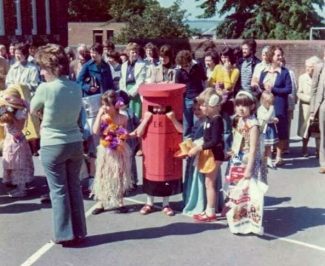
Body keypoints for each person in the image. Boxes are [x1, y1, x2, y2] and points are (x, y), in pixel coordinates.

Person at [30, 43, 87, 246]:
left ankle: (64, 234)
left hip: (53, 144)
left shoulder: (45, 88)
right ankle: (79, 231)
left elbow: (33, 108)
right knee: (74, 188)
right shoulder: (76, 87)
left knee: (59, 191)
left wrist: (42, 114)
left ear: (51, 67)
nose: (41, 72)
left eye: (42, 68)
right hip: (75, 142)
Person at [90, 90, 132, 215]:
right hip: (105, 150)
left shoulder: (123, 118)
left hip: (119, 149)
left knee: (118, 173)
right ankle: (101, 202)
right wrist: (98, 114)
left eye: (107, 105)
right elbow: (95, 131)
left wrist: (121, 138)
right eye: (103, 104)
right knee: (102, 174)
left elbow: (125, 134)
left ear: (116, 105)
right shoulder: (103, 117)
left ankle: (119, 200)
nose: (105, 107)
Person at [188, 92, 225, 222]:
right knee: (208, 183)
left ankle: (210, 212)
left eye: (203, 105)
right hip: (209, 153)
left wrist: (199, 148)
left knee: (210, 184)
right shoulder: (209, 119)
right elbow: (206, 138)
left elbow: (214, 141)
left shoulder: (217, 120)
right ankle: (209, 210)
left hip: (214, 155)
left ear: (213, 105)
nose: (201, 108)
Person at [259, 45, 292, 167]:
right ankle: (267, 156)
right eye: (277, 55)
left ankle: (279, 157)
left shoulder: (285, 72)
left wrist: (274, 89)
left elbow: (288, 89)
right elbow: (260, 86)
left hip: (279, 104)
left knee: (280, 130)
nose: (280, 57)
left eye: (280, 55)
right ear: (271, 57)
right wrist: (260, 89)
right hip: (265, 104)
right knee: (266, 129)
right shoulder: (264, 71)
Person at [0, 87, 34, 197]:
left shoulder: (20, 112)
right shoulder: (11, 111)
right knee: (13, 163)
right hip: (12, 139)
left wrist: (10, 115)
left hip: (16, 139)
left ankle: (21, 189)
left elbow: (19, 125)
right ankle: (18, 186)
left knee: (18, 164)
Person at [175, 50, 207, 138]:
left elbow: (204, 80)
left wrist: (204, 95)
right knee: (187, 125)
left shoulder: (198, 66)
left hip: (198, 99)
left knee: (199, 124)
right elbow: (178, 88)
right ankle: (187, 145)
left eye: (186, 65)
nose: (185, 68)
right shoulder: (179, 71)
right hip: (187, 100)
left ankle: (198, 142)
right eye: (183, 66)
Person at [297, 56, 322, 157]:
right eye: (306, 66)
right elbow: (299, 93)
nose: (307, 68)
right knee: (305, 129)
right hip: (306, 108)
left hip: (318, 107)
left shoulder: (321, 78)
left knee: (318, 129)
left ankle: (318, 150)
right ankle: (304, 148)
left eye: (310, 67)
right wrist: (309, 99)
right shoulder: (302, 78)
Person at [119, 42, 146, 119]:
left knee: (136, 116)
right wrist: (124, 92)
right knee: (125, 115)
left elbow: (141, 81)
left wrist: (130, 94)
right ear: (128, 53)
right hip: (125, 91)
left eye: (136, 52)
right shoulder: (123, 65)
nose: (135, 54)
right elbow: (121, 80)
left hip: (136, 93)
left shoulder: (142, 65)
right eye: (133, 52)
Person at [309, 53, 325, 173]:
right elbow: (313, 90)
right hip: (323, 104)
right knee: (323, 135)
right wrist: (312, 110)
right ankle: (323, 163)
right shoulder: (320, 67)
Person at [257, 91, 279, 168]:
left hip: (271, 128)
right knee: (263, 146)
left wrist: (274, 119)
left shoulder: (271, 108)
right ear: (263, 101)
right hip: (263, 129)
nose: (270, 104)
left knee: (269, 146)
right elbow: (266, 118)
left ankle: (269, 160)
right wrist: (270, 111)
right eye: (268, 102)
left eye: (271, 102)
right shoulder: (260, 109)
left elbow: (271, 116)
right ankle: (261, 160)